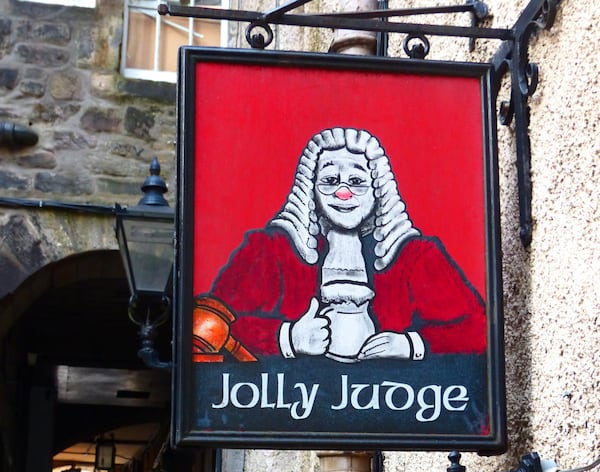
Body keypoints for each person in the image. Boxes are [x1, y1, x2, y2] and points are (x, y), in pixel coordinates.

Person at [201, 126, 486, 362]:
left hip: (390, 409)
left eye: (357, 181)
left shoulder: (416, 256)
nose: (343, 193)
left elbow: (480, 331)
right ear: (310, 187)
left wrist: (411, 345)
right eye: (329, 180)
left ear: (378, 188)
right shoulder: (271, 250)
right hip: (295, 412)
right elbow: (209, 324)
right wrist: (288, 337)